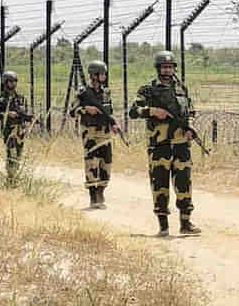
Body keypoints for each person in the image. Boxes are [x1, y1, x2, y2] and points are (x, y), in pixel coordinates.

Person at [129, 50, 201, 236]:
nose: (168, 70)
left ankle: (186, 223)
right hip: (159, 144)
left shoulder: (181, 88)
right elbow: (133, 111)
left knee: (184, 183)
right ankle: (163, 225)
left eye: (170, 67)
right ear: (158, 69)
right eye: (164, 67)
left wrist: (190, 127)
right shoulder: (148, 89)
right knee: (160, 184)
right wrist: (153, 111)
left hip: (181, 144)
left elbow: (191, 111)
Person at [69, 60, 119, 209]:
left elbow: (109, 112)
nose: (104, 76)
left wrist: (114, 124)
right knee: (91, 164)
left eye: (104, 73)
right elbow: (73, 111)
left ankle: (101, 191)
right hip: (90, 133)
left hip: (105, 133)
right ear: (94, 75)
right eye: (101, 73)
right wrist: (86, 109)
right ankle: (93, 196)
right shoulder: (83, 92)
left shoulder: (106, 92)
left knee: (107, 163)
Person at [0, 71, 32, 182]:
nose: (13, 84)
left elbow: (26, 115)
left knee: (18, 155)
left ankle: (15, 177)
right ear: (5, 82)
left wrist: (31, 118)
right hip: (9, 131)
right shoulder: (1, 99)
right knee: (11, 154)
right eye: (10, 81)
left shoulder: (21, 99)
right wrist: (7, 114)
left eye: (15, 81)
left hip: (20, 132)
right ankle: (10, 178)